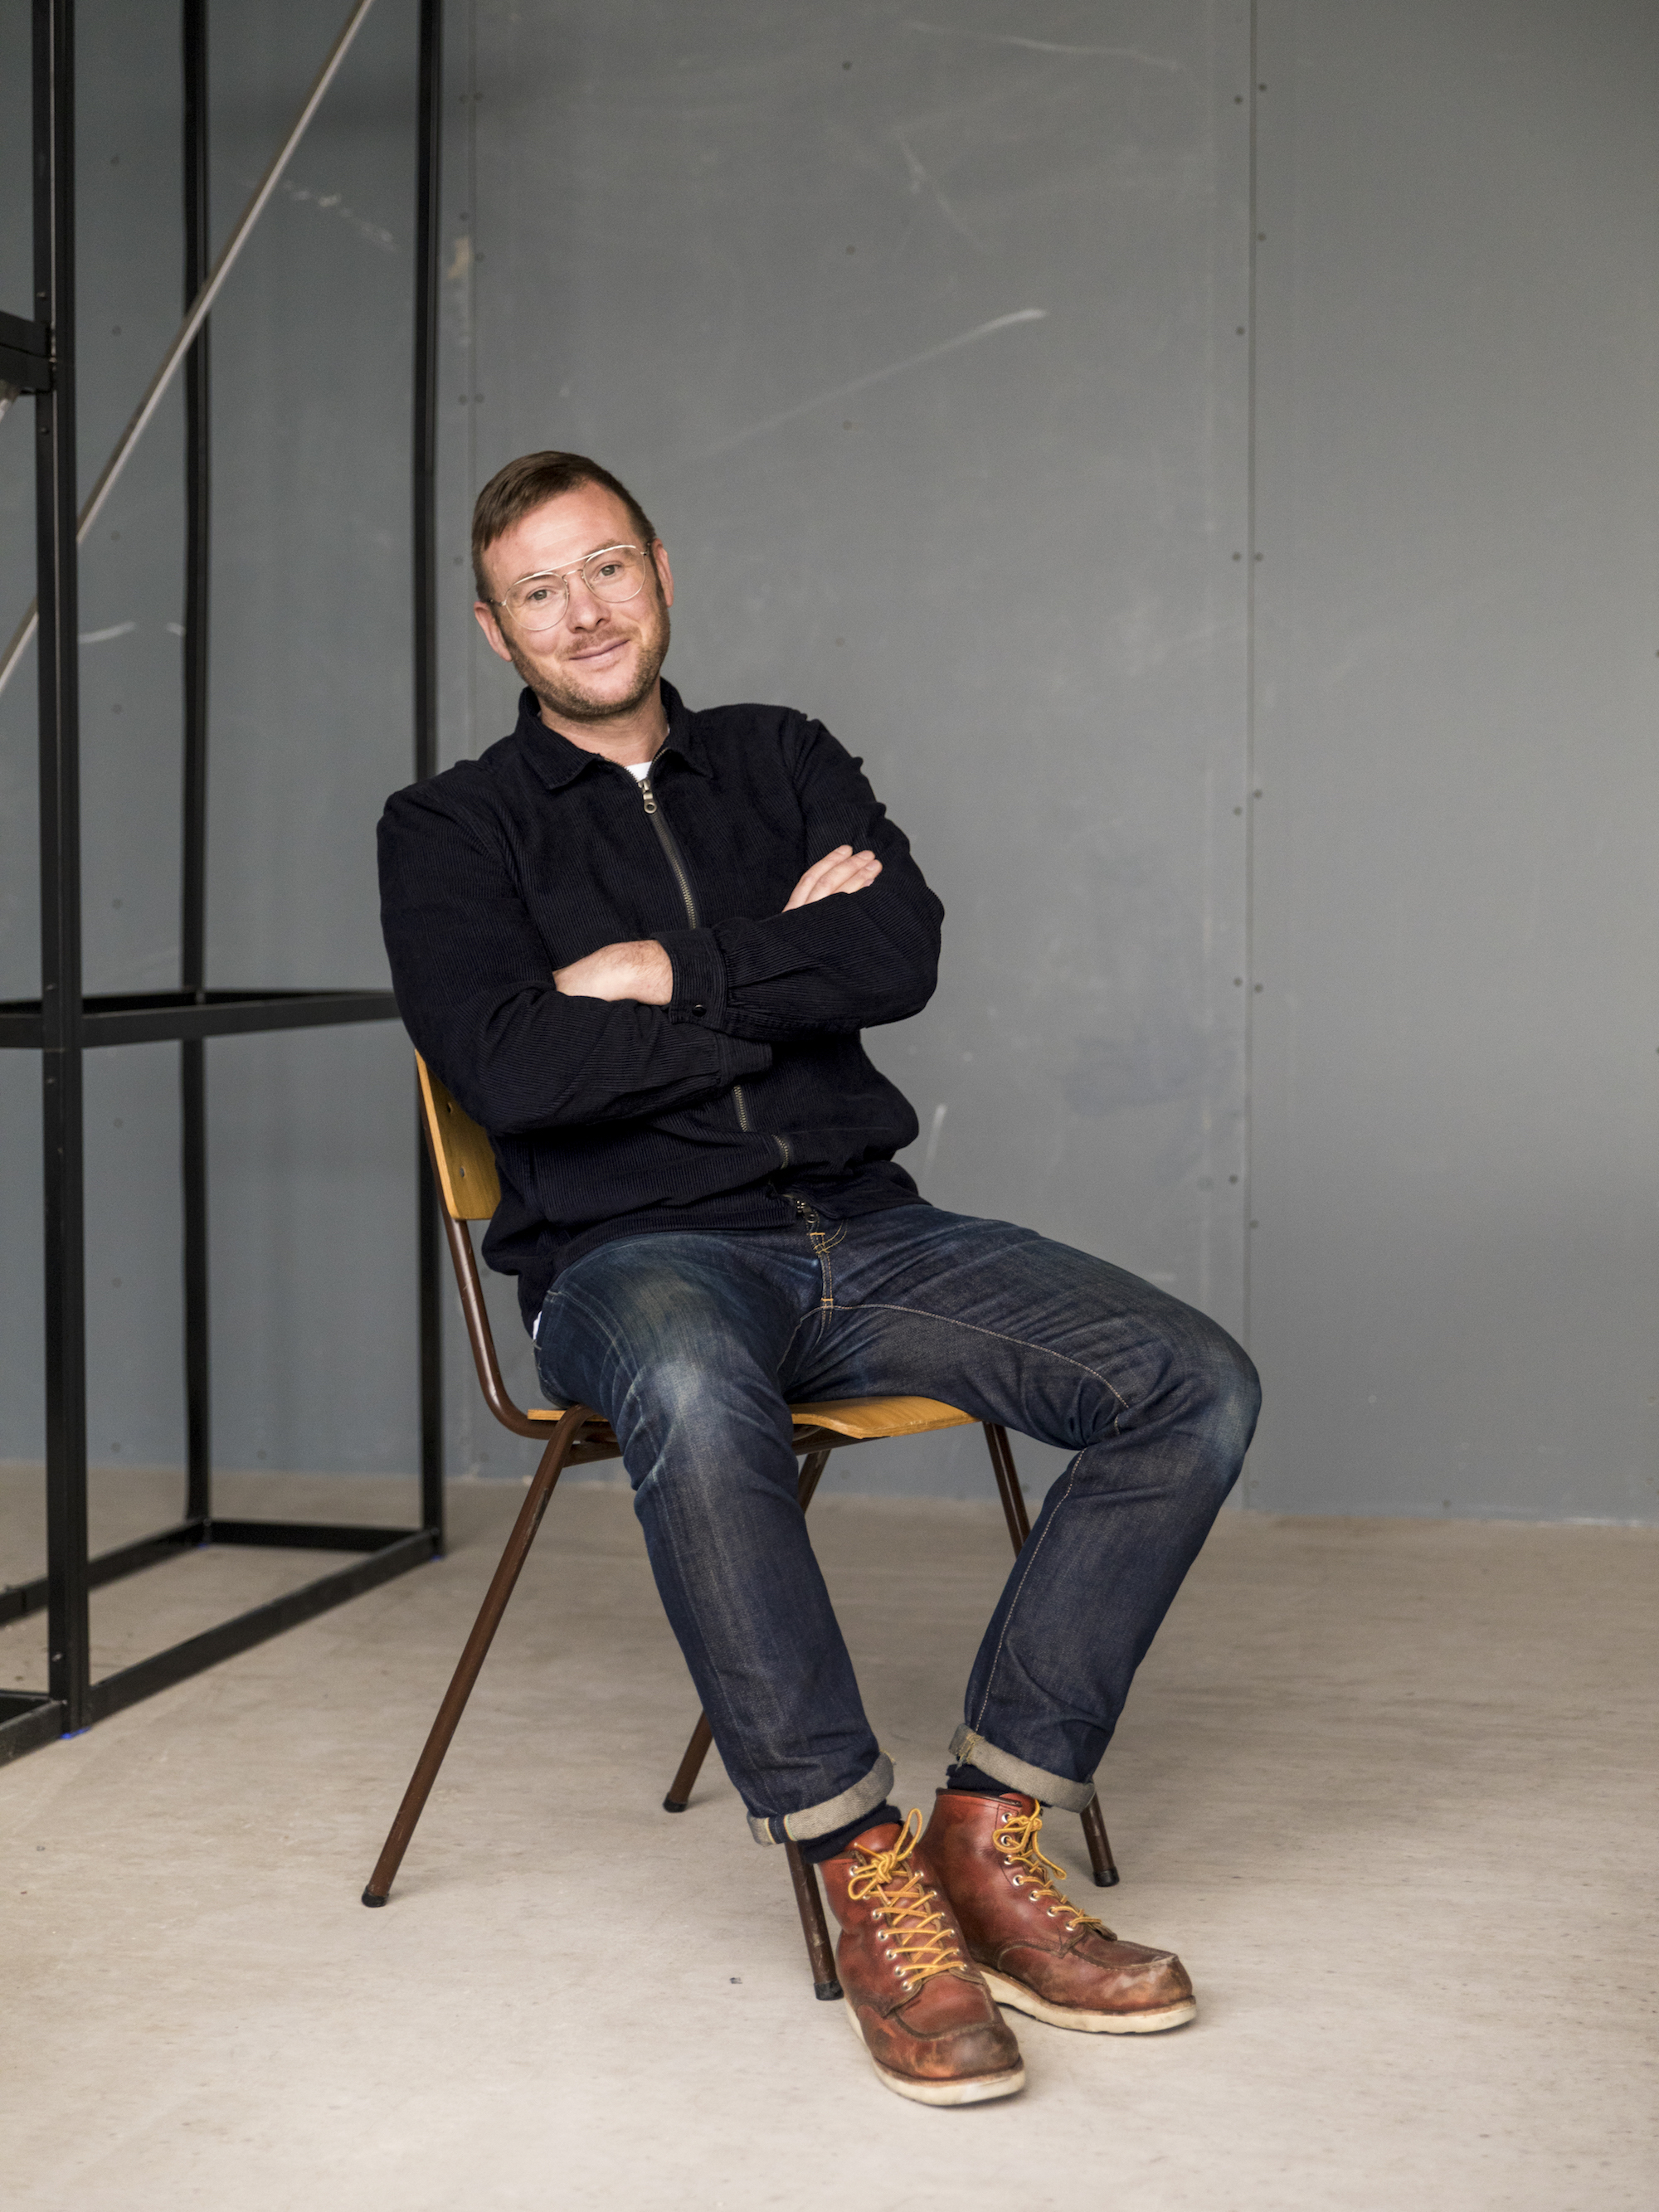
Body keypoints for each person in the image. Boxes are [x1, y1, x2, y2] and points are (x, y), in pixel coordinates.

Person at [378, 450, 1261, 2107]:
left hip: (866, 1229)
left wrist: (656, 972)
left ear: (661, 568)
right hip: (627, 1261)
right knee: (696, 1388)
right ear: (496, 632)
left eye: (608, 566)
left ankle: (988, 1833)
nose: (585, 611)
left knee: (1190, 1381)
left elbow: (899, 954)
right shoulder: (446, 829)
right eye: (540, 590)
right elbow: (514, 1070)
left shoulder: (782, 757)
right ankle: (865, 1868)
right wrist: (782, 971)